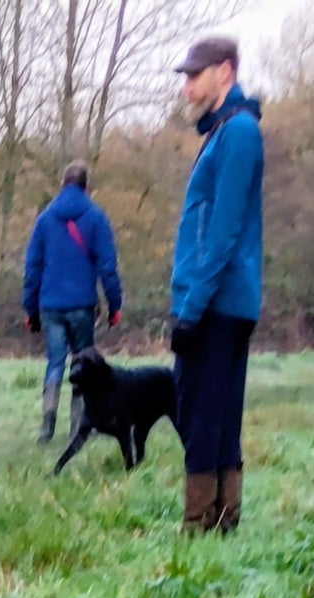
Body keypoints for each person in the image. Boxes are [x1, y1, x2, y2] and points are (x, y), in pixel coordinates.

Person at [169, 36, 263, 534]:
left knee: (203, 411)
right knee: (216, 410)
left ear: (224, 72)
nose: (187, 88)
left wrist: (191, 307)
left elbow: (222, 231)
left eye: (194, 75)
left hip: (217, 302)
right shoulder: (226, 131)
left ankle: (199, 521)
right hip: (220, 300)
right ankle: (223, 518)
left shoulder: (239, 133)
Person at [22, 161, 123, 445]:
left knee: (54, 363)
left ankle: (46, 426)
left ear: (62, 184)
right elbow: (108, 266)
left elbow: (32, 268)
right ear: (86, 186)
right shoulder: (96, 218)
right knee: (84, 365)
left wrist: (30, 308)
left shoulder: (44, 220)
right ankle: (78, 427)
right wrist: (115, 304)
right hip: (82, 306)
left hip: (50, 306)